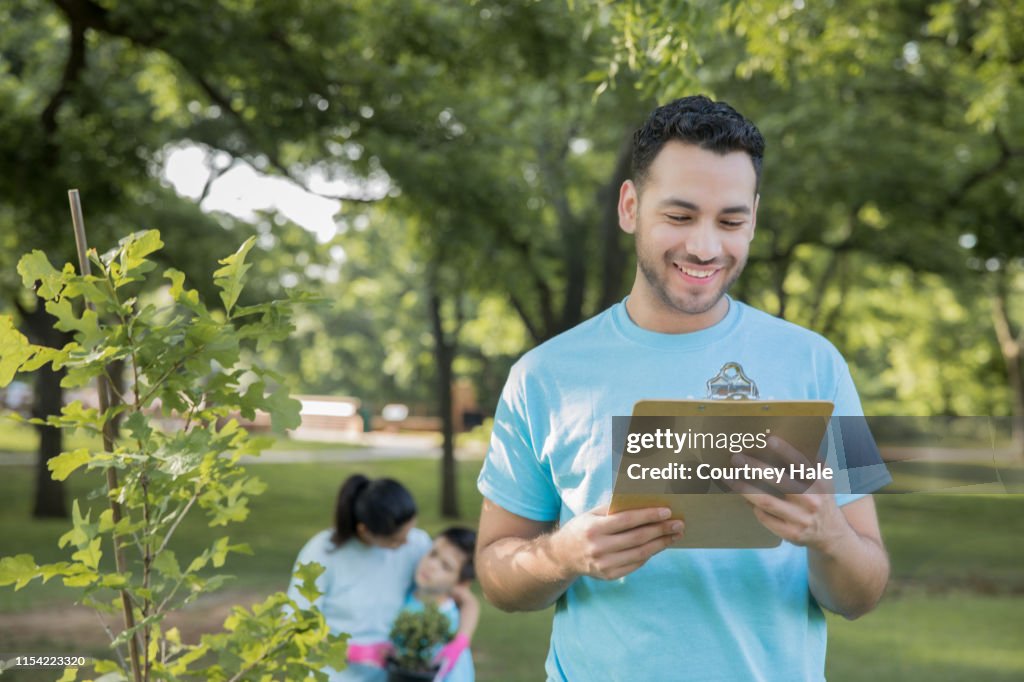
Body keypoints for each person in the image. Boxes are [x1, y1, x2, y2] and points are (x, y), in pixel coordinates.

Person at [475, 95, 892, 681]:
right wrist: (563, 555)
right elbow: (497, 575)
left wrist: (829, 538)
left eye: (730, 221)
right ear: (630, 206)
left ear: (754, 217)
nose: (704, 247)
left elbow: (863, 588)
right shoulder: (542, 376)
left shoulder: (818, 365)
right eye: (679, 216)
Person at [287, 473, 430, 682]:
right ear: (364, 531)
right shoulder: (322, 553)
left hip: (392, 675)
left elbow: (450, 594)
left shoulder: (417, 544)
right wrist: (355, 652)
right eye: (395, 541)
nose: (406, 543)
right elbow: (296, 625)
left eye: (409, 531)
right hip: (334, 675)